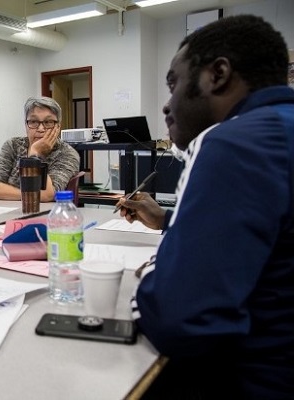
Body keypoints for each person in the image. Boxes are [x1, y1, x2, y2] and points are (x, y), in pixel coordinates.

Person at [117, 15, 294, 398]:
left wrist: (148, 277)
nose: (167, 105)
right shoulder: (281, 127)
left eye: (174, 84)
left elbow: (179, 319)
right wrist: (169, 221)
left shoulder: (233, 141)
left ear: (218, 74)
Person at [0, 96, 80, 201]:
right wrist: (31, 195)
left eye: (48, 122)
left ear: (58, 126)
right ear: (26, 125)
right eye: (33, 122)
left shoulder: (67, 153)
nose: (40, 129)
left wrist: (34, 154)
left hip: (45, 213)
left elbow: (47, 195)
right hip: (7, 210)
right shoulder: (12, 145)